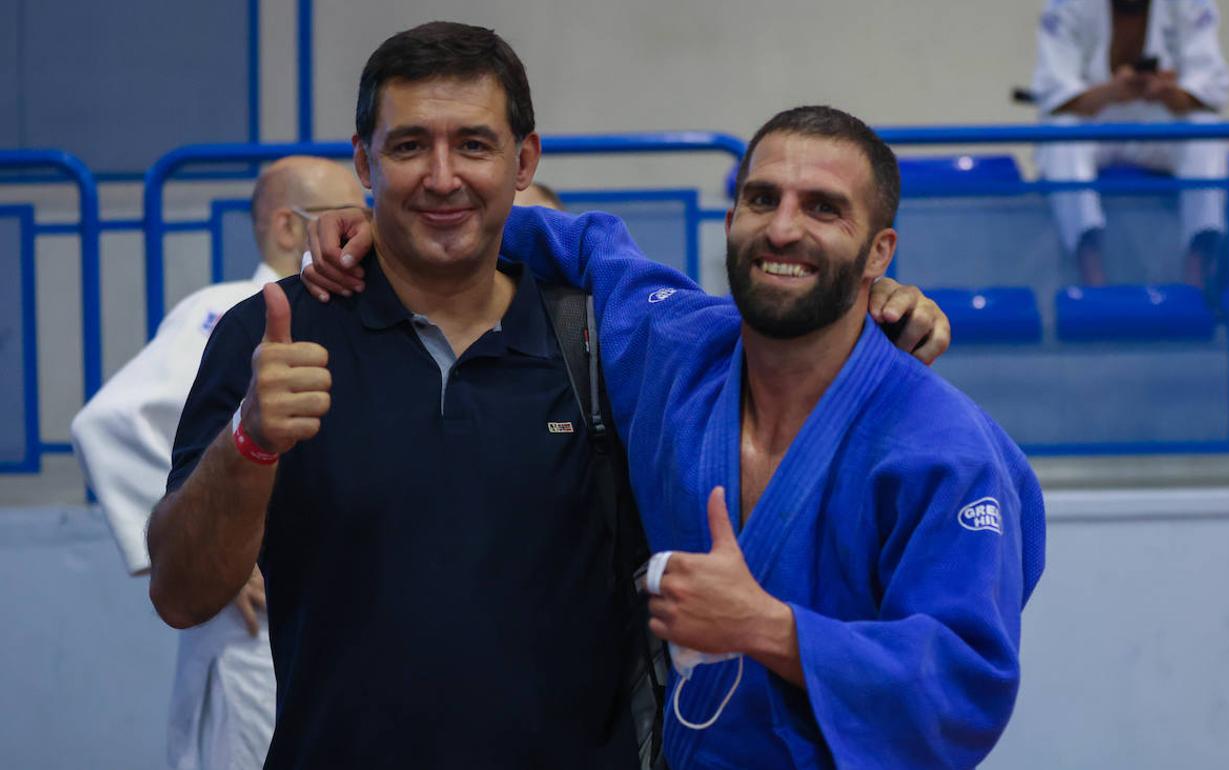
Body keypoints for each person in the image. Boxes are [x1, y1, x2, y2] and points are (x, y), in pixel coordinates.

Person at [148, 23, 950, 769]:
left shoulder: (605, 342)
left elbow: (777, 334)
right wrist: (249, 443)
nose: (441, 175)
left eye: (473, 145)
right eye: (408, 146)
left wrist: (868, 302)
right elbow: (183, 597)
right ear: (364, 163)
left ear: (525, 161)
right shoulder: (274, 336)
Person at [305, 106, 1045, 769]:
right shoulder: (675, 346)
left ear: (880, 252)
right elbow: (589, 243)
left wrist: (771, 629)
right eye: (762, 200)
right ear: (730, 222)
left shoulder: (939, 444)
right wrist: (405, 227)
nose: (783, 228)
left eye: (824, 209)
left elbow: (965, 681)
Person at [70, 155, 365, 770]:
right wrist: (218, 541)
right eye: (341, 216)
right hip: (252, 631)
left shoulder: (352, 313)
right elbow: (108, 422)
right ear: (288, 228)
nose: (355, 230)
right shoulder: (234, 309)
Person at [1031, 0, 1229, 286]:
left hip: (1160, 122)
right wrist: (1111, 93)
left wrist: (1169, 93)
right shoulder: (1066, 7)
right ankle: (1091, 272)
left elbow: (1210, 90)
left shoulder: (1190, 4)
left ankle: (1197, 272)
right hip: (1095, 124)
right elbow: (1055, 96)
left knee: (1205, 129)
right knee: (1061, 134)